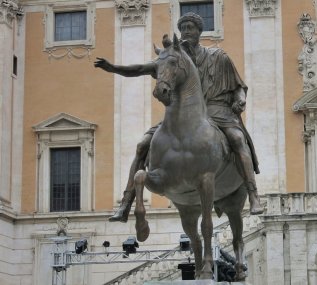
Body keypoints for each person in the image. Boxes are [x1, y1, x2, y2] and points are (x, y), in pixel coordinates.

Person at [94, 12, 263, 221]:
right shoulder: (172, 59)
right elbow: (140, 68)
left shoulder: (219, 57)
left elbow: (238, 86)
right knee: (143, 144)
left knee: (237, 139)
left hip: (218, 110)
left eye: (190, 28)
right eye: (183, 28)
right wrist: (113, 68)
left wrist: (240, 99)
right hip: (184, 113)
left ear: (199, 31)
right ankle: (126, 203)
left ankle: (253, 195)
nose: (186, 32)